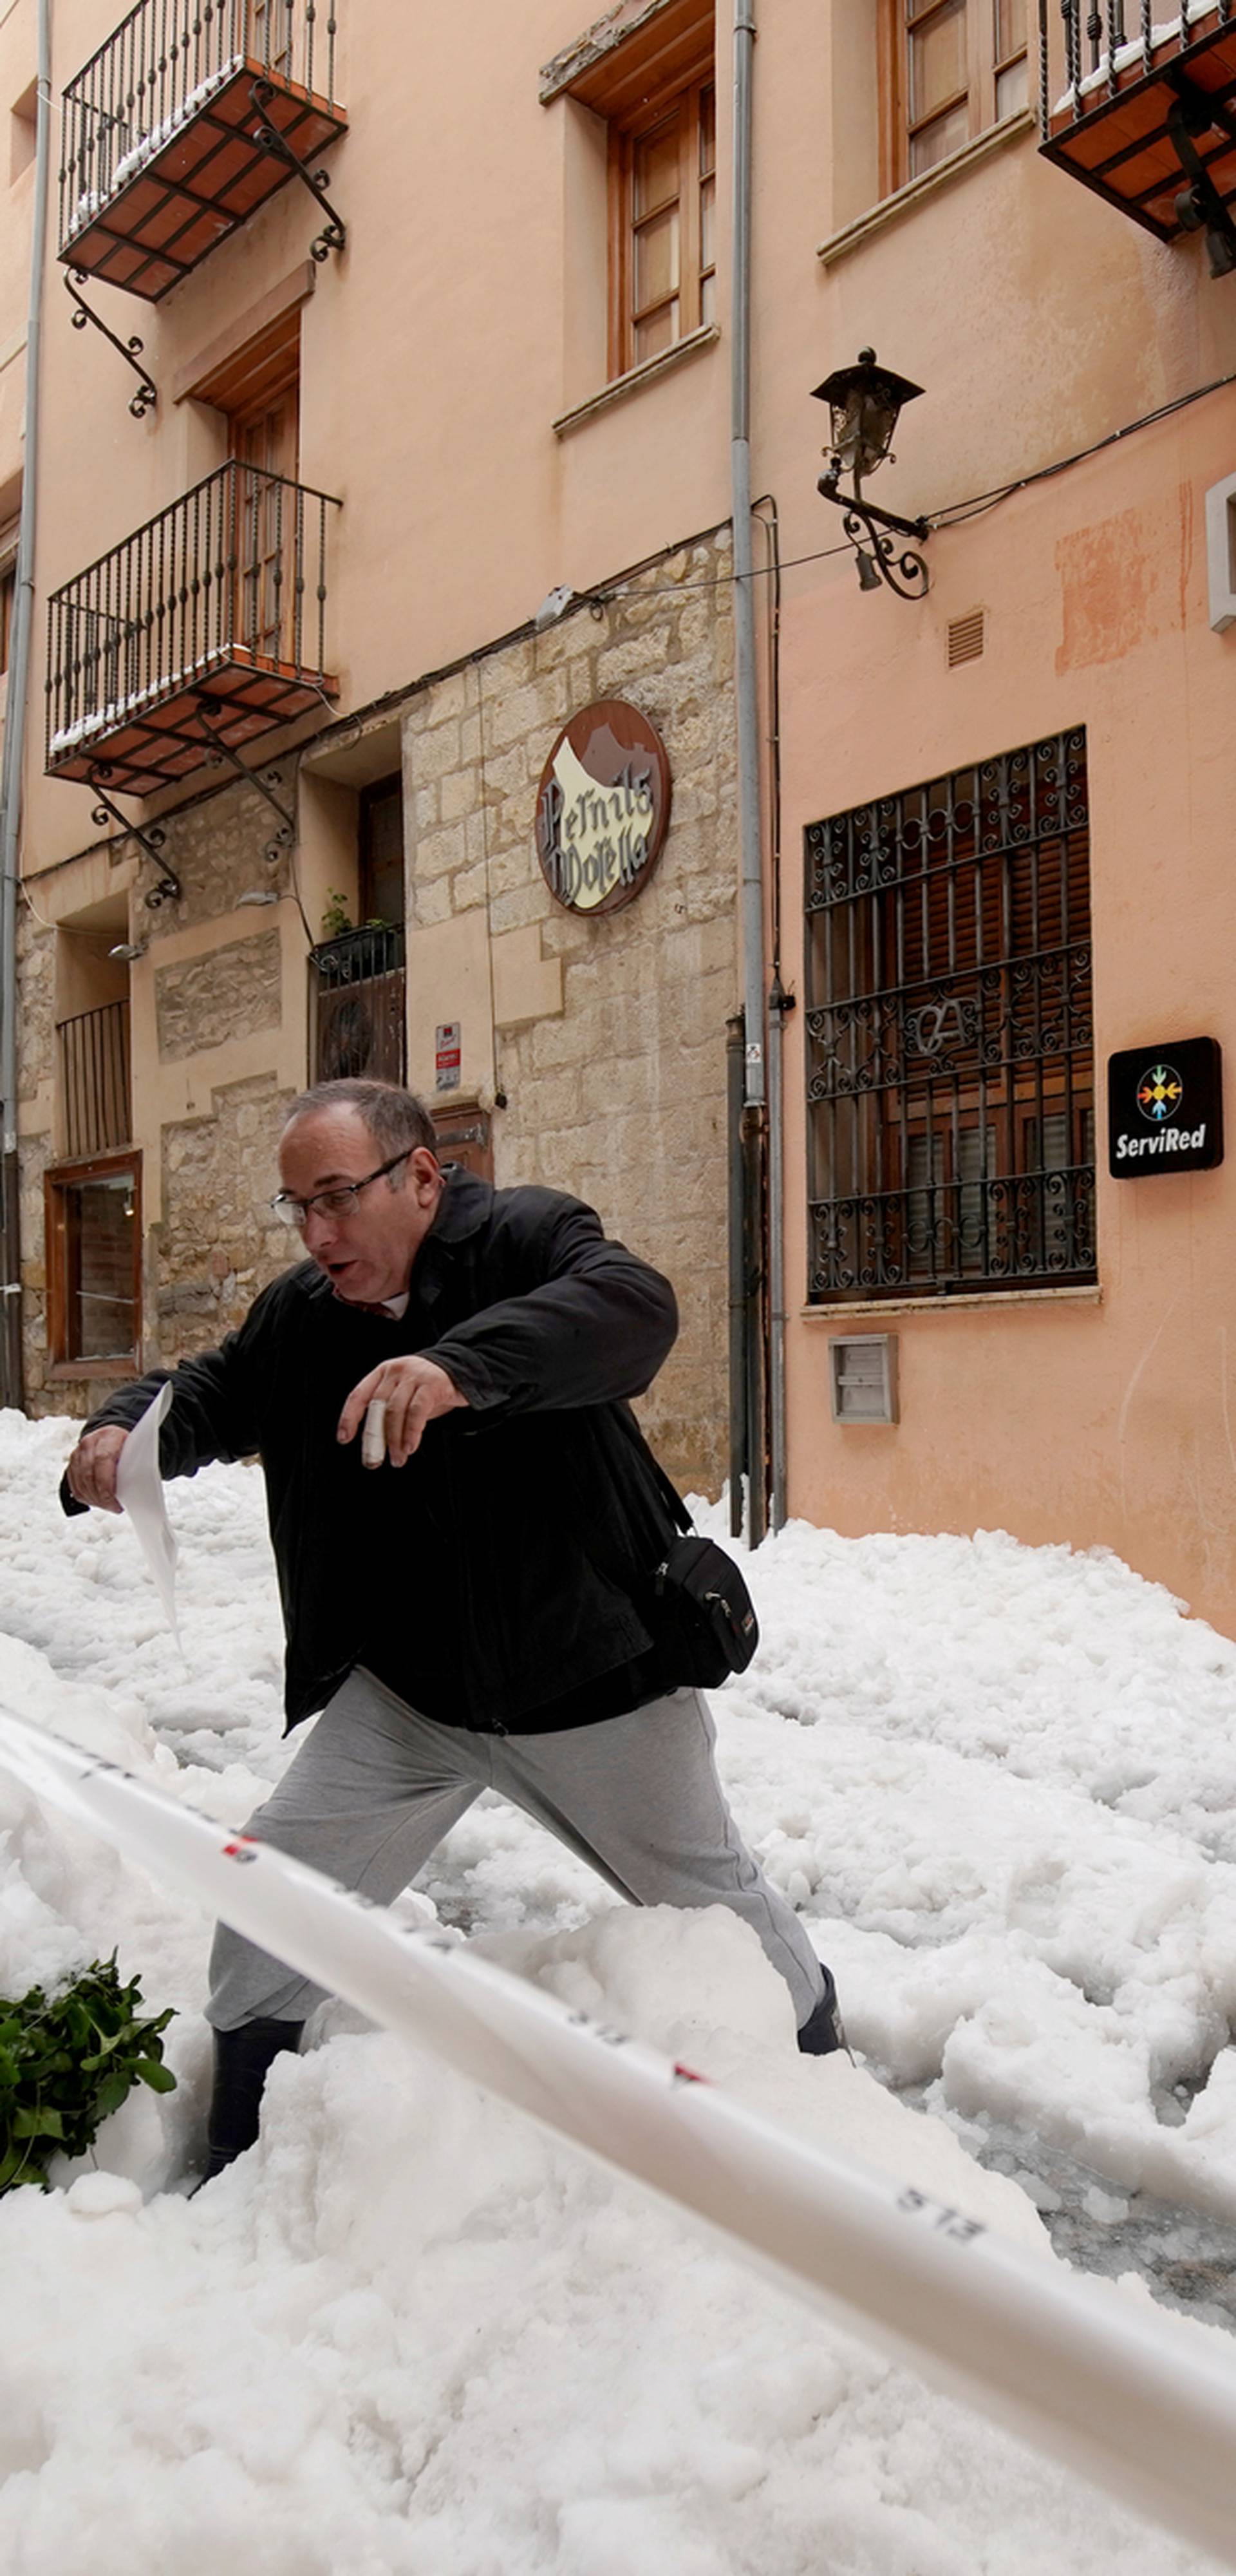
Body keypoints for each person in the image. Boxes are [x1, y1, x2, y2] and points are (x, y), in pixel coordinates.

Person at [64, 1078, 843, 2179]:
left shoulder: (528, 1239)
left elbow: (635, 1310)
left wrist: (458, 1370)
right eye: (298, 1207)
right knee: (269, 1909)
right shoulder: (303, 1315)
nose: (318, 1231)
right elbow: (213, 1390)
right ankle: (237, 2168)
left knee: (720, 1914)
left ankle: (834, 2086)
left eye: (337, 1198)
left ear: (421, 1178)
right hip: (409, 1701)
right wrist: (120, 1429)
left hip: (592, 1685)